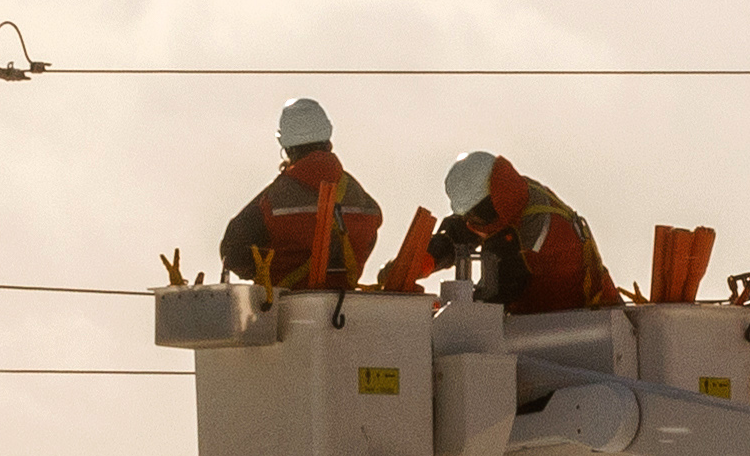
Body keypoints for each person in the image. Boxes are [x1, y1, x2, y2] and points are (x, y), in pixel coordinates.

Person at [380, 149, 622, 313]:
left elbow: (499, 294)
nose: (472, 223)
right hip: (546, 325)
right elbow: (459, 235)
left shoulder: (537, 234)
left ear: (492, 202)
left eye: (477, 214)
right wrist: (420, 262)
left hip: (586, 325)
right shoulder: (511, 195)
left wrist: (451, 311)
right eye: (468, 215)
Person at [216, 100, 381, 301]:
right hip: (347, 310)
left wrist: (266, 271)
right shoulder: (366, 204)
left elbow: (232, 252)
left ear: (285, 144)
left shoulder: (273, 200)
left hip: (282, 311)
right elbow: (368, 242)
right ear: (328, 136)